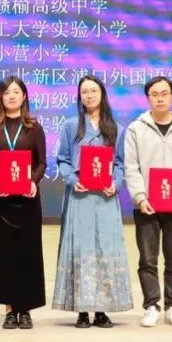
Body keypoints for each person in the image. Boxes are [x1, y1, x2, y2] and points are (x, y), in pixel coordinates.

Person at [52, 75, 132, 328]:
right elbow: (63, 159)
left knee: (104, 250)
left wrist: (116, 183)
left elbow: (120, 163)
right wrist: (72, 179)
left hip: (105, 199)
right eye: (84, 92)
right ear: (79, 97)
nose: (89, 95)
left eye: (93, 91)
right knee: (81, 250)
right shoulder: (71, 126)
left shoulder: (116, 128)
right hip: (80, 197)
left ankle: (102, 310)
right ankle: (82, 311)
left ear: (102, 94)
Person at [123, 75, 172, 328]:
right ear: (148, 98)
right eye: (155, 94)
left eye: (164, 93)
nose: (160, 98)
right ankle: (151, 305)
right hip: (146, 204)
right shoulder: (136, 128)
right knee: (148, 258)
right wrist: (140, 197)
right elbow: (131, 167)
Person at [0, 76, 48, 330]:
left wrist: (33, 181)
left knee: (28, 253)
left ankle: (26, 309)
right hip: (2, 201)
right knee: (5, 255)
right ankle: (10, 309)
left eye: (16, 92)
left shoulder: (34, 127)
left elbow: (42, 162)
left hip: (28, 199)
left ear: (24, 96)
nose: (11, 96)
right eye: (6, 92)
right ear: (0, 97)